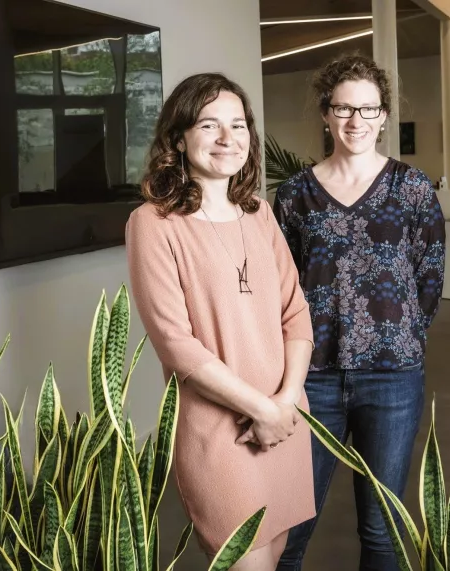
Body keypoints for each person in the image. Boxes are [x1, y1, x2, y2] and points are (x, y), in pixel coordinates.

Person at [126, 73, 314, 571]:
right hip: (221, 431)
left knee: (274, 556)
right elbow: (175, 343)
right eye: (210, 125)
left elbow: (296, 313)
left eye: (238, 125)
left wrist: (285, 401)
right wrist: (263, 410)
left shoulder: (259, 213)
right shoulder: (153, 222)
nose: (228, 139)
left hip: (287, 419)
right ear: (179, 138)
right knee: (246, 561)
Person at [274, 54, 446, 571]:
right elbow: (282, 290)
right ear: (326, 114)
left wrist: (398, 335)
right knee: (290, 529)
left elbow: (429, 278)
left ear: (384, 116)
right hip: (314, 379)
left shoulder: (411, 188)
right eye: (344, 109)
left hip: (392, 379)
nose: (356, 121)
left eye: (368, 110)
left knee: (382, 530)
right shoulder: (294, 195)